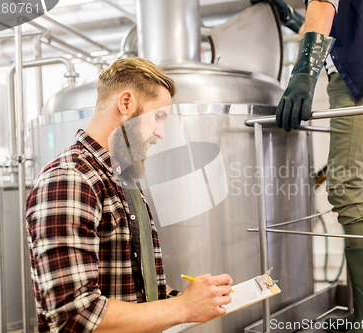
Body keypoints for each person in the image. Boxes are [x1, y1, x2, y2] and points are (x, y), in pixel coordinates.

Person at [25, 57, 233, 333]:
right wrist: (183, 308)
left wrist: (182, 298)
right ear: (125, 103)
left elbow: (132, 284)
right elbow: (75, 316)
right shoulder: (71, 179)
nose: (160, 133)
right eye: (157, 117)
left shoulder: (123, 179)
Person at [252, 0, 363, 332]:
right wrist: (291, 18)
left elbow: (323, 5)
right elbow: (325, 20)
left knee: (346, 186)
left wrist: (302, 75)